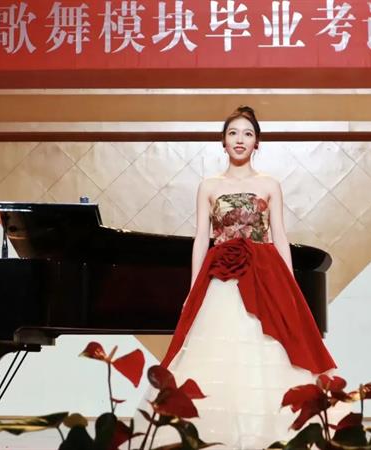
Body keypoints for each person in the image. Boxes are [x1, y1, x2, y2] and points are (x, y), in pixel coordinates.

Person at [138, 106, 342, 448]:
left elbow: (280, 236)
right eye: (233, 133)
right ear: (223, 141)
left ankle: (272, 432)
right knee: (218, 347)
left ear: (257, 142)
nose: (240, 139)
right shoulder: (208, 186)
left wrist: (290, 286)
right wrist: (193, 289)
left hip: (265, 272)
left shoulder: (269, 185)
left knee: (267, 345)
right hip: (221, 275)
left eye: (247, 134)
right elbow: (201, 239)